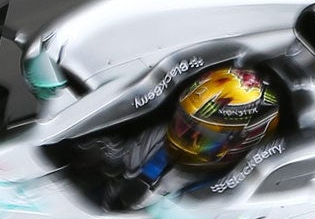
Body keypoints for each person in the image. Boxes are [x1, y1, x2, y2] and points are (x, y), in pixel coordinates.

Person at [100, 65, 281, 204]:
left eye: (203, 136)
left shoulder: (233, 188)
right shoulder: (156, 140)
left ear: (242, 138)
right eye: (183, 123)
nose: (185, 137)